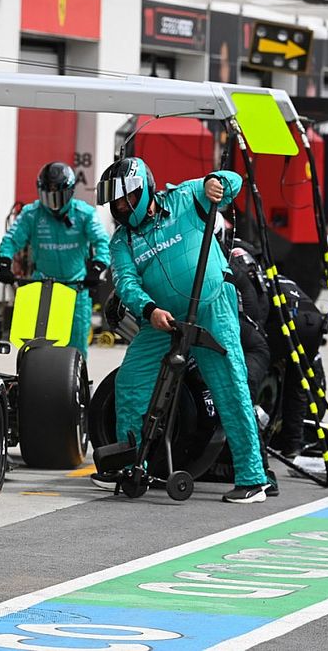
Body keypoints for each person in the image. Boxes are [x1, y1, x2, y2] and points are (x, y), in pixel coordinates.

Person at [93, 157, 270, 503]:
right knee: (130, 380)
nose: (120, 208)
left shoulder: (187, 196)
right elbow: (126, 282)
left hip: (211, 306)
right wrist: (149, 309)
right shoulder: (122, 242)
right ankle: (130, 466)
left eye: (125, 199)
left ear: (144, 190)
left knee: (230, 385)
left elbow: (232, 182)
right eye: (115, 203)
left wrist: (215, 183)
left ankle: (253, 478)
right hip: (161, 318)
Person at [0, 162, 110, 357]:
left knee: (76, 351)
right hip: (41, 286)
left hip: (75, 288)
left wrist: (96, 268)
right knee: (32, 347)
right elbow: (11, 240)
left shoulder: (85, 214)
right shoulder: (31, 214)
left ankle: (76, 384)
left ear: (71, 191)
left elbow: (102, 242)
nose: (53, 203)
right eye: (48, 196)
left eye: (58, 196)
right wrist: (4, 264)